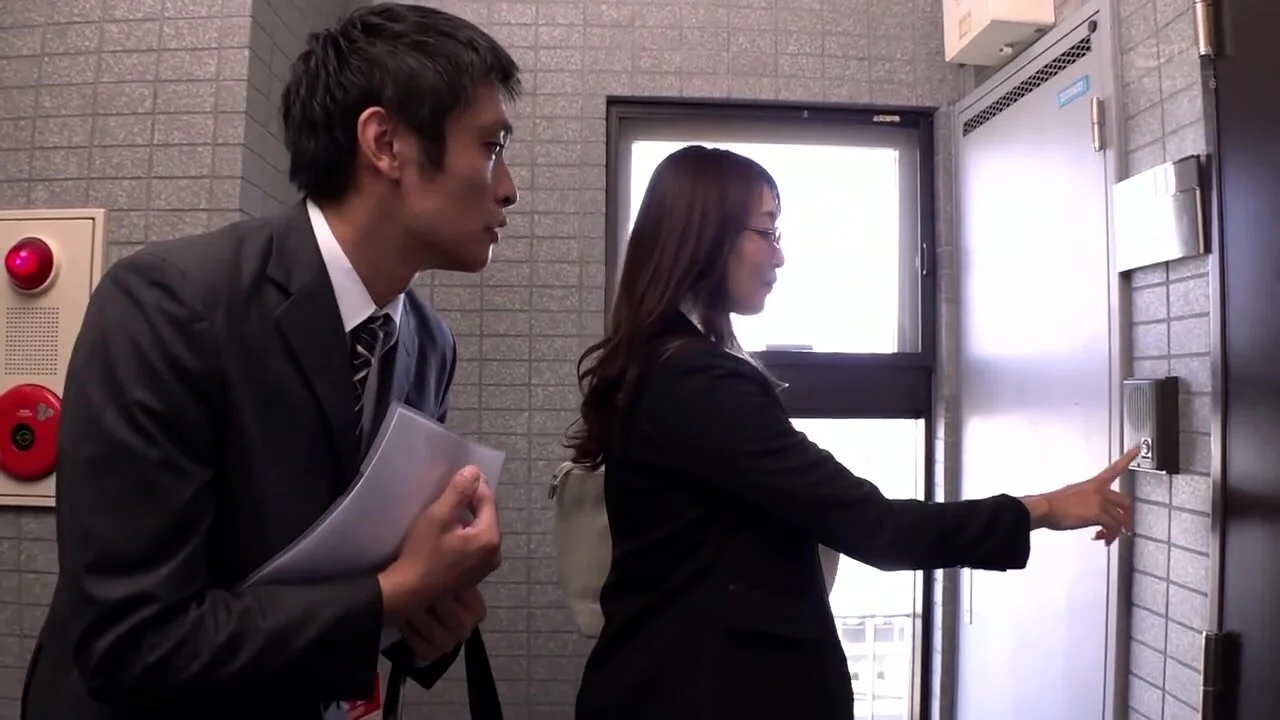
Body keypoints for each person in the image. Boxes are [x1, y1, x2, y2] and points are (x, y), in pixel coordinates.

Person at [21, 4, 521, 719]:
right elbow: (132, 643)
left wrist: (425, 623)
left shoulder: (428, 343)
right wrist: (393, 595)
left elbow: (365, 574)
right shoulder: (172, 305)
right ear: (385, 143)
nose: (508, 189)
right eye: (492, 147)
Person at [568, 145, 1138, 720]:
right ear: (706, 236)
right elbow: (876, 527)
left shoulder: (664, 364)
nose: (779, 255)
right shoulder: (697, 381)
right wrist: (1043, 508)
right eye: (766, 231)